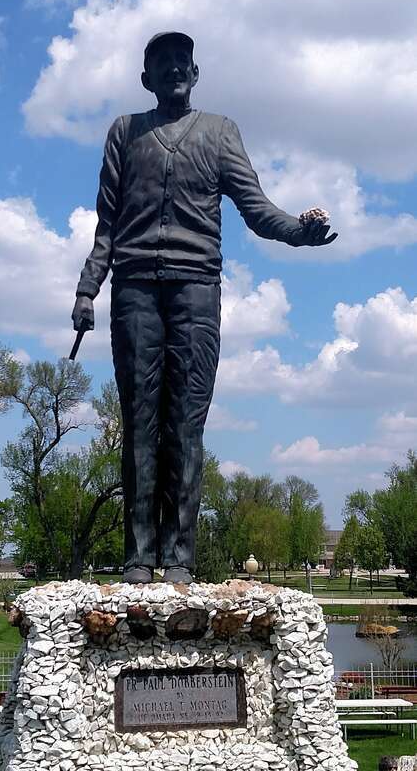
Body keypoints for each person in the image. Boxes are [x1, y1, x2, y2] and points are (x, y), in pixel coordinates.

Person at [72, 31, 337, 584]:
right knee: (141, 425)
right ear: (146, 79)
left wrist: (300, 233)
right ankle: (139, 556)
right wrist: (87, 289)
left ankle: (180, 558)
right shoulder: (125, 131)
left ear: (196, 72)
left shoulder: (220, 133)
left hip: (196, 289)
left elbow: (257, 209)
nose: (173, 68)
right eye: (161, 62)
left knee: (185, 426)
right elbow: (106, 225)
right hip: (135, 289)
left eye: (181, 60)